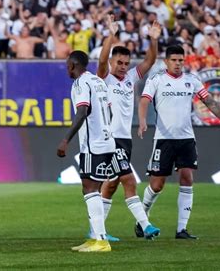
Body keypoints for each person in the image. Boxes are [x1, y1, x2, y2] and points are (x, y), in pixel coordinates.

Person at [138, 45, 220, 240]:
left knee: (187, 178)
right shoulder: (156, 80)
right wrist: (141, 121)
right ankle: (142, 220)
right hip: (164, 139)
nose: (178, 64)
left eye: (181, 60)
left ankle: (181, 229)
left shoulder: (192, 80)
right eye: (174, 60)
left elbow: (210, 102)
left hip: (186, 139)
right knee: (156, 185)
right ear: (166, 61)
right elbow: (144, 101)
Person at [96, 15, 161, 241]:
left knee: (112, 185)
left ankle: (97, 231)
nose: (123, 67)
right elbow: (103, 59)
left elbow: (150, 61)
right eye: (119, 63)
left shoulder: (131, 77)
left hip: (125, 138)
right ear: (113, 62)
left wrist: (153, 40)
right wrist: (110, 35)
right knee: (129, 181)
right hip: (111, 138)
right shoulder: (105, 77)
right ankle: (146, 224)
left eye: (126, 63)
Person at [57, 50, 115, 252]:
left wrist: (66, 140)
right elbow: (110, 111)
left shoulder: (81, 83)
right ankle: (95, 237)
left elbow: (82, 112)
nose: (67, 70)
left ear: (73, 65)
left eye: (67, 66)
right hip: (107, 142)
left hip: (94, 145)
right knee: (92, 189)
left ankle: (101, 240)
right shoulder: (99, 81)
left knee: (89, 189)